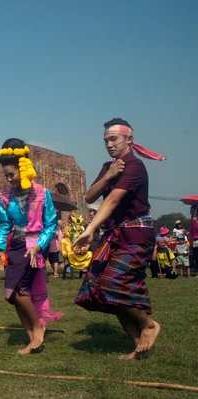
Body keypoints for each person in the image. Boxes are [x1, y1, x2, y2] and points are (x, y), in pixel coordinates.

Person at [74, 118, 164, 360]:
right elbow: (90, 195)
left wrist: (90, 229)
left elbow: (112, 200)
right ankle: (138, 347)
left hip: (136, 236)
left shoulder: (135, 166)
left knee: (113, 283)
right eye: (105, 140)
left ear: (129, 139)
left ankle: (149, 325)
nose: (109, 144)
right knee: (101, 289)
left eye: (113, 139)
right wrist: (108, 175)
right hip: (115, 236)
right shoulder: (109, 166)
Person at [0, 139, 63, 354]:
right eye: (6, 175)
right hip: (16, 246)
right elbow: (5, 226)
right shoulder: (5, 197)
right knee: (12, 293)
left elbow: (51, 224)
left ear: (24, 169)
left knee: (19, 291)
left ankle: (38, 326)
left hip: (34, 246)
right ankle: (32, 337)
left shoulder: (42, 193)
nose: (9, 180)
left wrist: (38, 247)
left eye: (12, 174)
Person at [189, 206, 198, 271]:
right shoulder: (192, 219)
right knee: (195, 256)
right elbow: (191, 230)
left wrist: (196, 222)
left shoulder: (196, 219)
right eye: (190, 210)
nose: (191, 212)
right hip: (193, 240)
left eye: (192, 210)